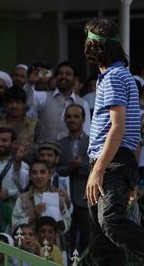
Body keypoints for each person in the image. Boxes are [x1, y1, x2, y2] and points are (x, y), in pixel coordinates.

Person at [84, 18, 144, 265]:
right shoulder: (121, 76)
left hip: (109, 162)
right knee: (100, 243)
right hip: (111, 162)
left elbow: (119, 128)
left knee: (109, 222)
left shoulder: (113, 77)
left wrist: (99, 170)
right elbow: (132, 133)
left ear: (98, 48)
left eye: (89, 41)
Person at [57, 104, 90, 256]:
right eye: (69, 117)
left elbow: (99, 168)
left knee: (88, 240)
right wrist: (70, 167)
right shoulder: (60, 144)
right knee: (66, 240)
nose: (72, 120)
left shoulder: (93, 142)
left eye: (76, 116)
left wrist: (81, 165)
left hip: (86, 199)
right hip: (65, 200)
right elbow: (55, 170)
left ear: (83, 119)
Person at [11, 159, 71, 231]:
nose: (38, 176)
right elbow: (15, 226)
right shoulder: (23, 199)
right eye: (34, 173)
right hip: (30, 241)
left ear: (50, 175)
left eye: (42, 172)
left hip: (53, 241)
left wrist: (59, 220)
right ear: (30, 176)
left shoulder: (57, 197)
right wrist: (33, 215)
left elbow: (67, 222)